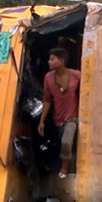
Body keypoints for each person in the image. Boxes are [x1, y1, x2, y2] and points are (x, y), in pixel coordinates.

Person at [38, 48, 81, 179]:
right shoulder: (48, 78)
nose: (49, 62)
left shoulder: (75, 75)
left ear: (61, 61)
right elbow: (47, 100)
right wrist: (42, 120)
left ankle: (64, 169)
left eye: (52, 59)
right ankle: (73, 171)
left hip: (72, 118)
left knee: (66, 142)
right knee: (67, 146)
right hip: (58, 120)